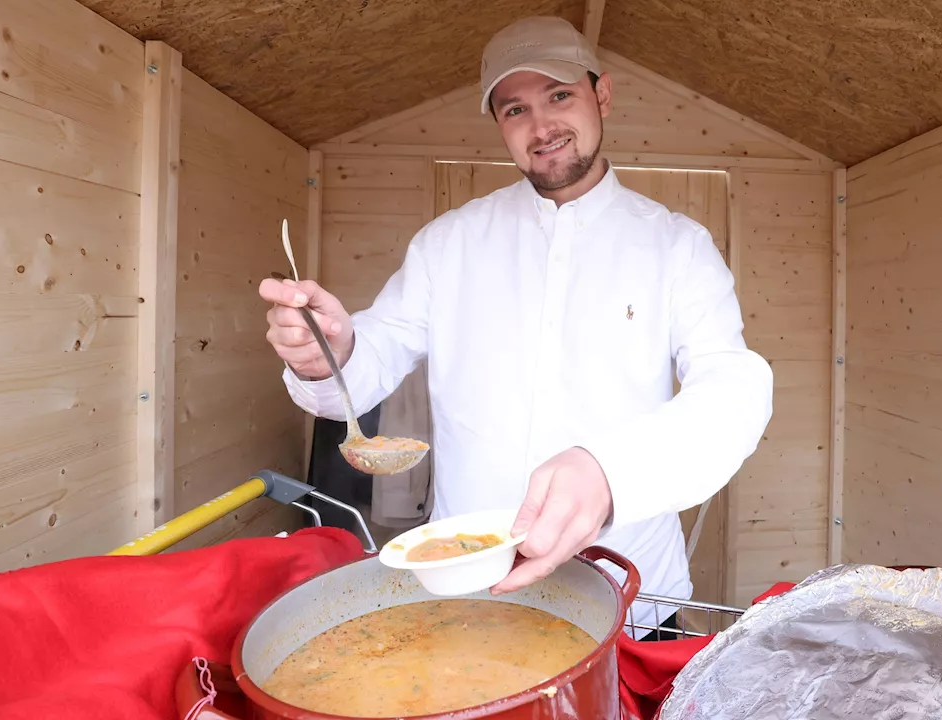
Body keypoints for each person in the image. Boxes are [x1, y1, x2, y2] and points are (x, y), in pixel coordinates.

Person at [258, 15, 773, 636]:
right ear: (498, 124)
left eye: (560, 96)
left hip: (632, 596)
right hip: (472, 586)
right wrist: (325, 354)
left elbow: (734, 389)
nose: (542, 126)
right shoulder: (447, 244)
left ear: (601, 94)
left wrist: (610, 475)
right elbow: (367, 366)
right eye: (515, 110)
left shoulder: (677, 247)